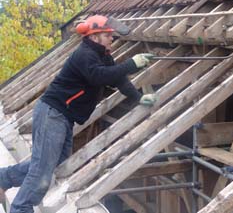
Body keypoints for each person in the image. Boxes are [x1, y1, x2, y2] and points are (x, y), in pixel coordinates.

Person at [0, 15, 157, 213]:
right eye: (107, 35)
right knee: (42, 171)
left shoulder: (102, 55)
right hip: (53, 113)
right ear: (94, 37)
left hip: (62, 116)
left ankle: (4, 178)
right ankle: (21, 208)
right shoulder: (85, 54)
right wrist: (132, 64)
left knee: (53, 164)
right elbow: (99, 76)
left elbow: (118, 79)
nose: (112, 38)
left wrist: (138, 98)